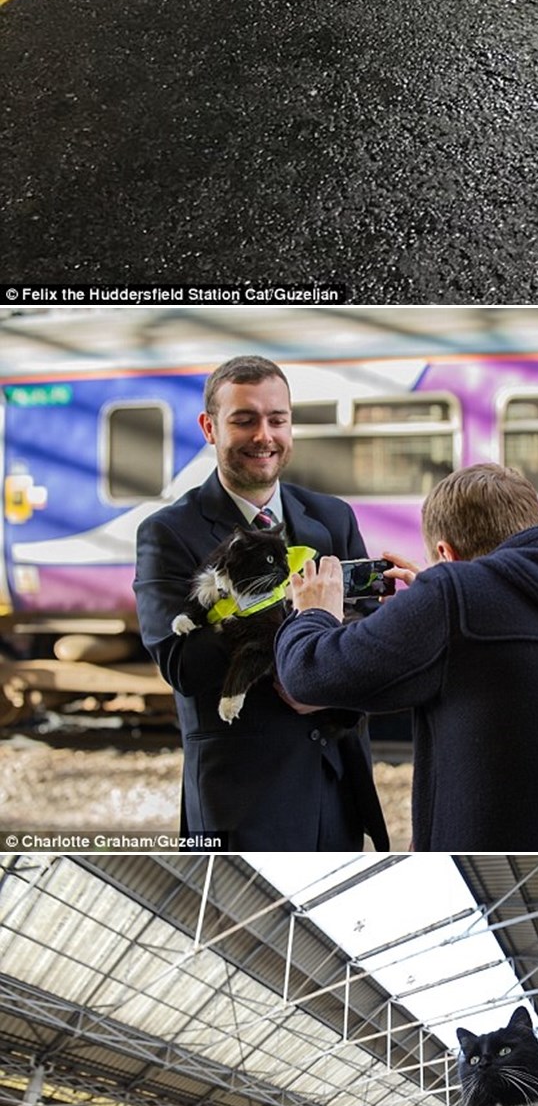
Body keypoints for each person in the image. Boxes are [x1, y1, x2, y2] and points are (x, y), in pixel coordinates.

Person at [277, 462, 538, 851]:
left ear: (445, 552)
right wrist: (435, 606)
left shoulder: (453, 597)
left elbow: (308, 673)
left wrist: (315, 610)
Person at [132, 342, 389, 856]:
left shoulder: (332, 518)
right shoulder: (168, 534)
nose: (264, 436)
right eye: (244, 420)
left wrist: (328, 686)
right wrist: (303, 626)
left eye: (277, 419)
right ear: (210, 428)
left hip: (336, 783)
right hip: (240, 800)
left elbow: (368, 634)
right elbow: (182, 663)